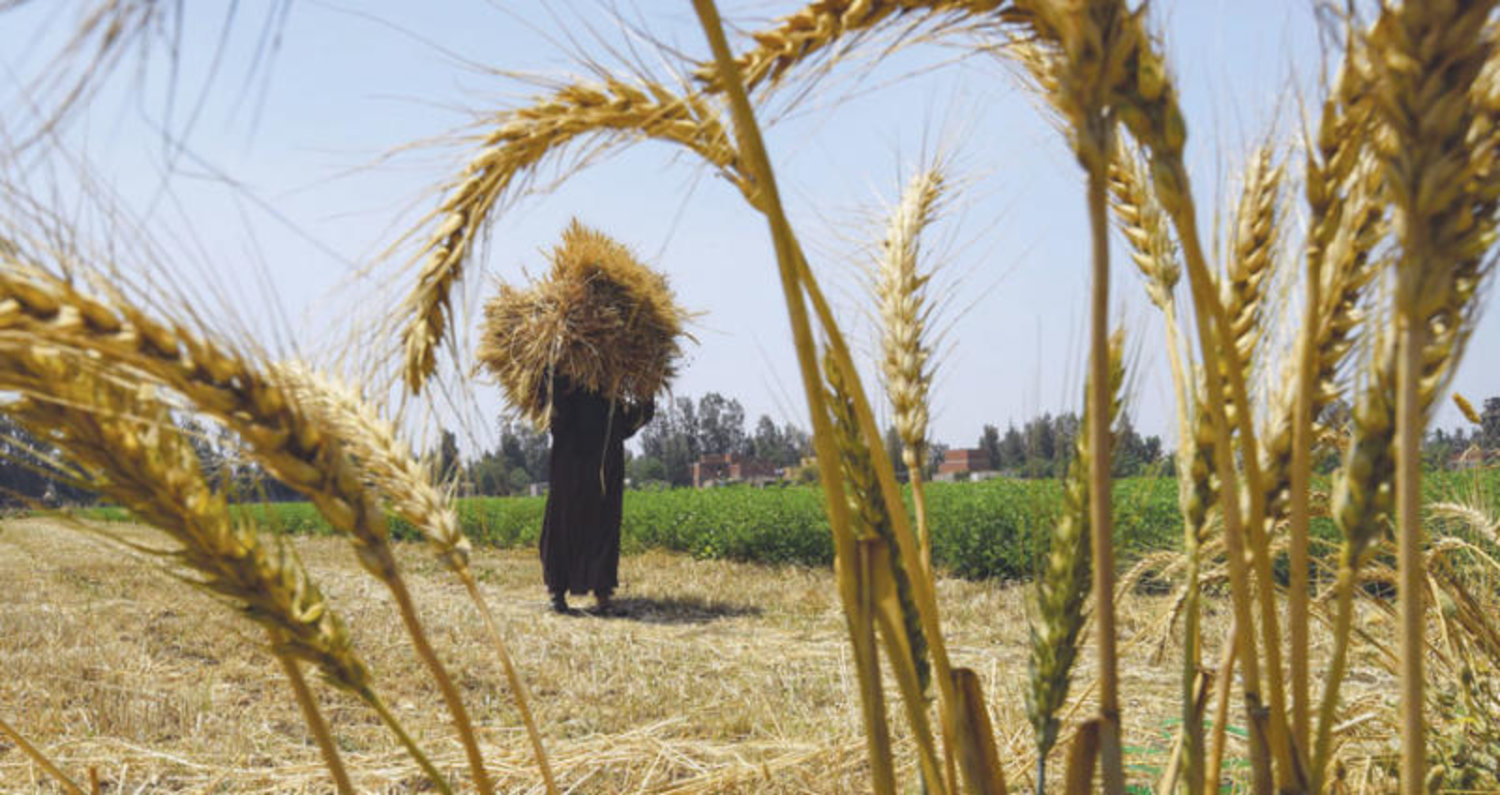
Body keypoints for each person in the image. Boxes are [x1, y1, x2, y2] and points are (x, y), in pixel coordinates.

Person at [540, 376, 655, 615]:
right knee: (565, 523)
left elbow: (627, 423)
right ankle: (558, 591)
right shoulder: (561, 377)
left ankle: (602, 593)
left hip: (604, 464)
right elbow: (554, 415)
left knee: (604, 525)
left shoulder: (611, 387)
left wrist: (647, 395)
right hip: (571, 465)